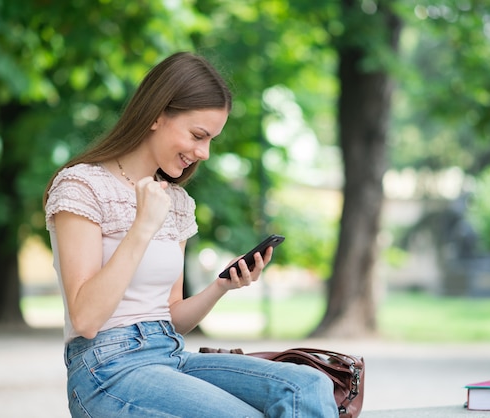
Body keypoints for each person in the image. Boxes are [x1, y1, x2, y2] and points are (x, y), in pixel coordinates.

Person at [43, 51, 338, 418]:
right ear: (156, 115)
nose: (205, 153)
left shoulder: (177, 201)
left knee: (308, 385)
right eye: (198, 135)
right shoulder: (82, 185)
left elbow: (171, 315)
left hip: (169, 353)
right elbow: (86, 319)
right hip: (106, 369)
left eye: (211, 140)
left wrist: (222, 287)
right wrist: (143, 227)